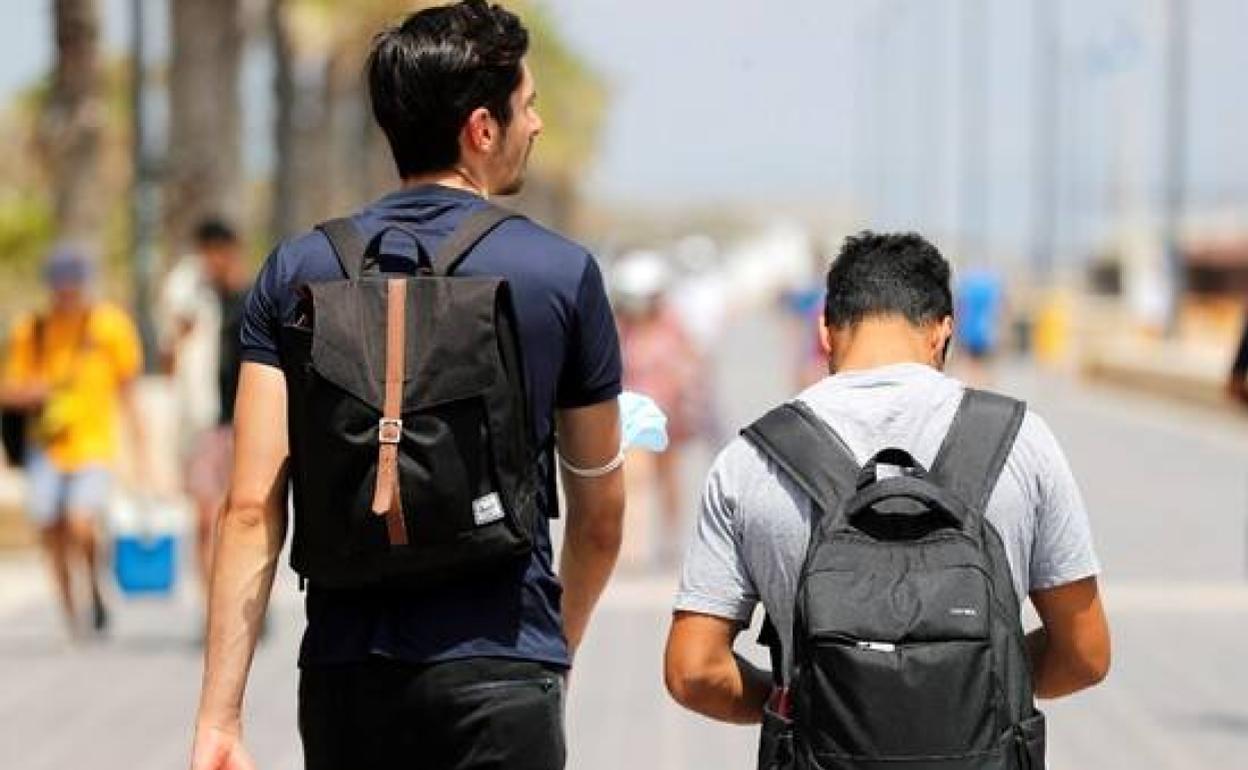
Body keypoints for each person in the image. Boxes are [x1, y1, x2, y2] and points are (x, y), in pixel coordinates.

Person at [190, 3, 625, 769]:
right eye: (527, 106)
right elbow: (599, 517)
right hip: (503, 669)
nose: (539, 125)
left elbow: (251, 507)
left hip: (347, 675)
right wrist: (549, 655)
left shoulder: (297, 272)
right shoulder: (560, 276)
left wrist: (220, 719)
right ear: (481, 130)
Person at [664, 233, 1109, 737]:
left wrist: (801, 698)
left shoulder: (753, 460)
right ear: (944, 332)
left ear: (826, 333)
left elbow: (693, 670)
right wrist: (974, 682)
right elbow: (1085, 655)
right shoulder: (1022, 442)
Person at [0, 246, 146, 638]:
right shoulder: (32, 329)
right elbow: (9, 389)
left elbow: (129, 389)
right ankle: (71, 613)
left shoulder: (110, 326)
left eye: (74, 286)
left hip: (93, 443)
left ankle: (95, 588)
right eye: (60, 287)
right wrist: (35, 392)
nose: (67, 295)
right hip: (45, 445)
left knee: (81, 524)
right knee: (51, 530)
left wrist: (142, 451)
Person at [161, 219, 249, 598]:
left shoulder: (251, 299)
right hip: (202, 422)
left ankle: (243, 598)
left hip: (243, 423)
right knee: (203, 519)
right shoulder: (189, 297)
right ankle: (209, 601)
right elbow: (168, 360)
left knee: (243, 517)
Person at [614, 251, 701, 568]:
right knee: (634, 479)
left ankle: (670, 539)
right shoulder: (621, 327)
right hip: (633, 416)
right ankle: (633, 546)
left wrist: (688, 400)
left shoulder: (672, 324)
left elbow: (689, 363)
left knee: (668, 479)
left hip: (670, 414)